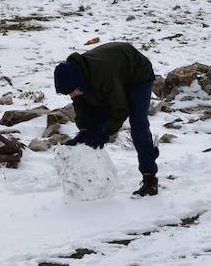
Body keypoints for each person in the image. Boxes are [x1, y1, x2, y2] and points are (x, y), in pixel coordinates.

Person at [53, 41, 159, 197]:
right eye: (68, 93)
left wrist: (104, 133)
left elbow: (121, 109)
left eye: (71, 91)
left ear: (77, 81)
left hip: (137, 74)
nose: (71, 95)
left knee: (138, 124)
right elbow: (82, 108)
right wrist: (84, 132)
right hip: (116, 75)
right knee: (94, 113)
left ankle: (150, 179)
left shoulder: (103, 75)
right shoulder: (78, 78)